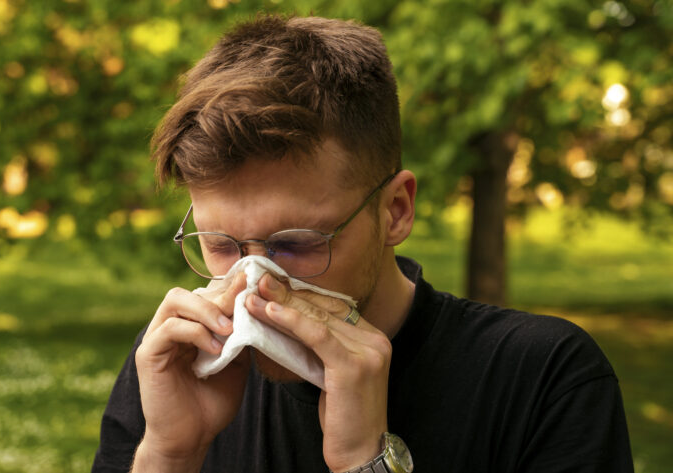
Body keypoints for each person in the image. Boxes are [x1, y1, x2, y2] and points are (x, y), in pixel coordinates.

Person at [91, 15, 633, 473]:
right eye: (220, 244)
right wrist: (170, 454)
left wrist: (365, 462)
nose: (252, 286)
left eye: (296, 243)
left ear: (395, 210)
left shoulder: (544, 379)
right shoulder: (170, 364)